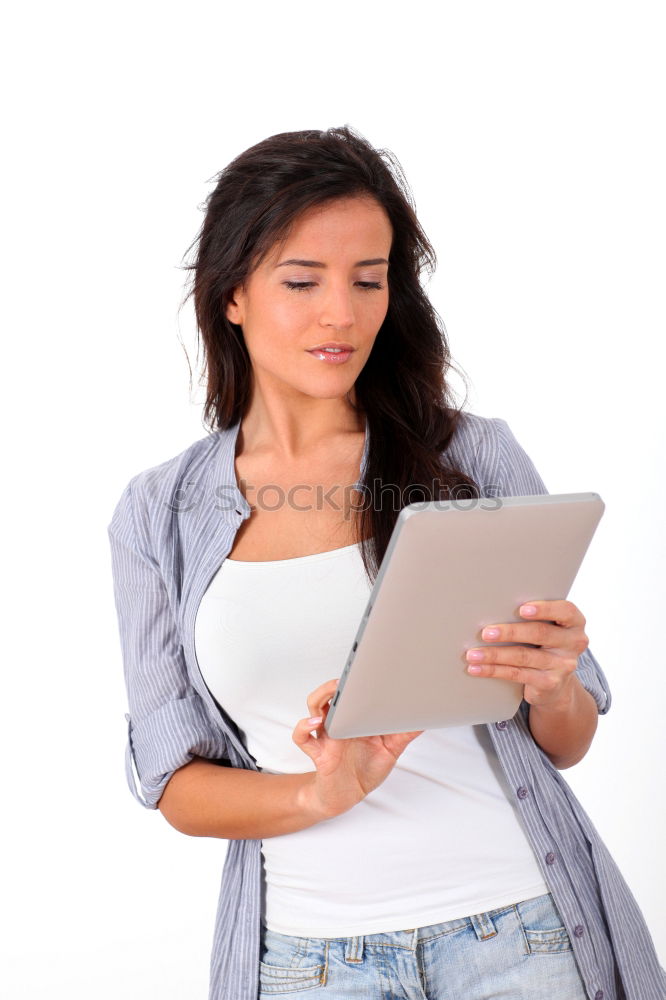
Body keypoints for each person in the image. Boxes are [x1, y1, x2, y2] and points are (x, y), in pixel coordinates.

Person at [107, 126, 664, 1000]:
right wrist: (320, 794)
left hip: (519, 936)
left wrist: (556, 687)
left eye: (370, 279)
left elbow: (568, 740)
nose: (344, 313)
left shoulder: (471, 459)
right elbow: (175, 783)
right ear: (231, 296)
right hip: (307, 962)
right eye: (303, 281)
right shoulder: (159, 513)